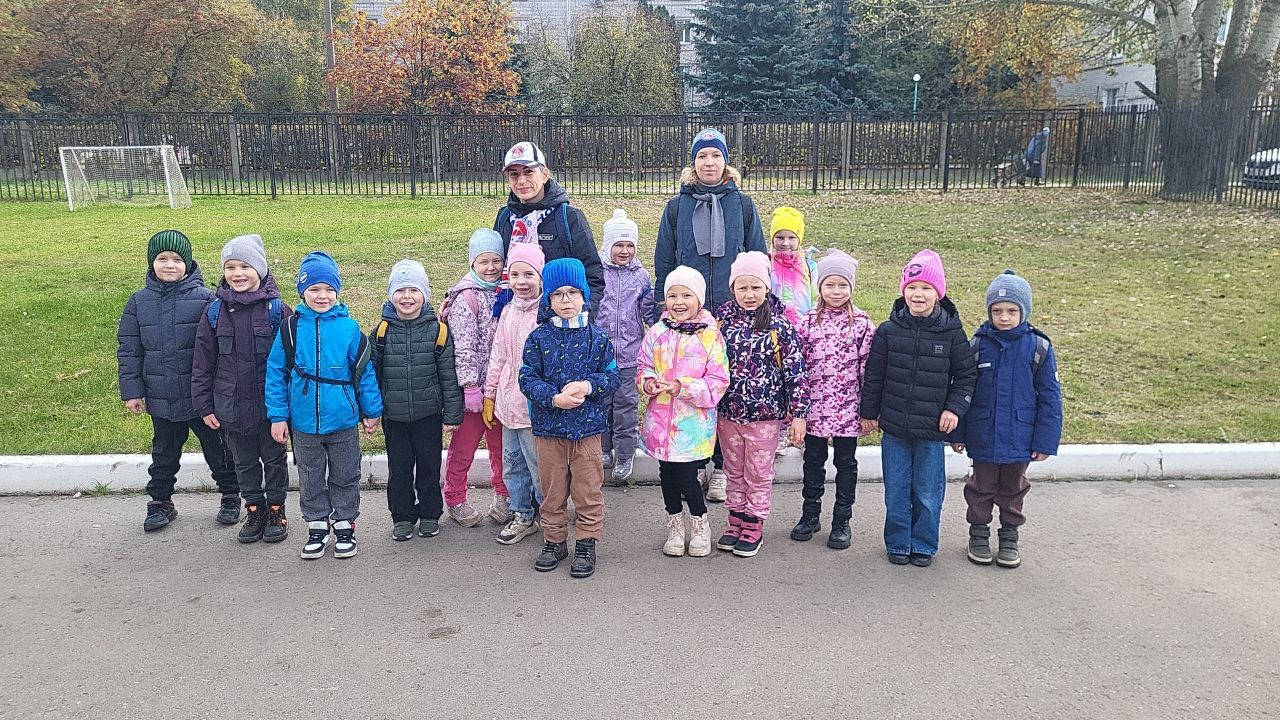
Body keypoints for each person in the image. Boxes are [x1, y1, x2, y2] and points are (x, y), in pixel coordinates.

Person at [654, 127, 767, 502]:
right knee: (692, 387)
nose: (709, 162)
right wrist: (663, 309)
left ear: (725, 161)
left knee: (723, 388)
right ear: (693, 163)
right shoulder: (676, 207)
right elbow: (665, 262)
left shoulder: (743, 206)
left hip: (733, 313)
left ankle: (721, 467)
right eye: (702, 156)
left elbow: (757, 259)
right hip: (690, 316)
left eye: (716, 155)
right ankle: (696, 460)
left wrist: (758, 307)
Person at [860, 249, 977, 568]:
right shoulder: (888, 331)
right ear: (903, 291)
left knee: (927, 491)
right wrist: (868, 413)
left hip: (931, 430)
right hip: (895, 427)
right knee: (897, 490)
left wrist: (954, 409)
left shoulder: (951, 333)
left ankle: (924, 543)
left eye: (926, 288)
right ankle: (898, 542)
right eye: (912, 287)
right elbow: (875, 374)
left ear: (939, 293)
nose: (918, 294)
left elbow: (966, 376)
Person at [118, 229, 238, 533]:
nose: (169, 265)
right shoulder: (139, 302)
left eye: (176, 259)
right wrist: (133, 392)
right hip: (162, 397)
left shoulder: (207, 300)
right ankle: (160, 501)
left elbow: (220, 348)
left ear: (188, 263)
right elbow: (129, 350)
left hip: (202, 399)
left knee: (219, 450)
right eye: (162, 258)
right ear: (151, 262)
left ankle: (230, 495)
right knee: (164, 453)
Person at [265, 251, 382, 561]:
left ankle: (345, 524)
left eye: (329, 289)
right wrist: (278, 416)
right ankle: (317, 525)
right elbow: (276, 373)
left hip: (343, 419)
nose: (322, 295)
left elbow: (364, 372)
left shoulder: (349, 329)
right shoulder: (290, 329)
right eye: (314, 289)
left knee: (345, 475)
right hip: (304, 423)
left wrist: (372, 411)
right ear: (302, 291)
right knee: (310, 476)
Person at [950, 270, 1062, 568]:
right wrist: (958, 433)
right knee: (981, 487)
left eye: (1012, 311)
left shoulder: (1038, 348)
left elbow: (1050, 399)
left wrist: (1045, 442)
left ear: (1024, 311)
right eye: (997, 311)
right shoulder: (977, 346)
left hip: (1020, 437)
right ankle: (978, 534)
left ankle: (1009, 537)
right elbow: (963, 390)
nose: (1004, 317)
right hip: (983, 434)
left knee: (1014, 488)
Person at [519, 258, 620, 579]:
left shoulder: (598, 339)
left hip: (587, 431)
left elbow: (612, 377)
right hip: (549, 430)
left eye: (573, 292)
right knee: (552, 490)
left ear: (584, 296)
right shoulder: (538, 339)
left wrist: (588, 386)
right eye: (558, 294)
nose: (566, 300)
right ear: (548, 299)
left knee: (588, 491)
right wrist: (553, 398)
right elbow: (527, 378)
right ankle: (554, 541)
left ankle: (587, 542)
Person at [191, 233, 292, 544]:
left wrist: (287, 409)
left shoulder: (278, 311)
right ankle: (254, 509)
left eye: (245, 267)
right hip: (231, 407)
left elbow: (293, 363)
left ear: (259, 269)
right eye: (230, 267)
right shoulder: (214, 312)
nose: (237, 274)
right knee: (244, 463)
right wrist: (204, 405)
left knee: (274, 461)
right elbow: (202, 361)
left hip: (269, 408)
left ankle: (276, 510)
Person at [713, 251, 808, 558]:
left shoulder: (780, 326)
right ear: (732, 289)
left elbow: (795, 371)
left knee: (758, 472)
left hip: (765, 417)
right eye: (742, 288)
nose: (749, 294)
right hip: (728, 413)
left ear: (767, 287)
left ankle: (754, 523)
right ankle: (735, 520)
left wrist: (799, 414)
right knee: (733, 470)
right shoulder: (721, 324)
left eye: (755, 287)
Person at [637, 267, 729, 558]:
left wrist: (682, 387)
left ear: (698, 299)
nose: (678, 302)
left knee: (689, 479)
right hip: (660, 423)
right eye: (672, 295)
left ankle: (700, 525)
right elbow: (644, 366)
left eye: (686, 295)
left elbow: (718, 381)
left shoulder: (710, 336)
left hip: (692, 426)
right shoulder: (657, 332)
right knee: (667, 477)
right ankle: (675, 526)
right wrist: (648, 383)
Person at [371, 260, 464, 542]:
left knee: (428, 467)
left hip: (428, 415)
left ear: (424, 294)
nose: (407, 297)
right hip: (394, 417)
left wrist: (452, 415)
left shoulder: (439, 332)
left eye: (414, 290)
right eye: (400, 291)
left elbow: (448, 376)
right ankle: (401, 516)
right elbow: (371, 378)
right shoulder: (381, 333)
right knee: (399, 470)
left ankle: (429, 513)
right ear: (391, 295)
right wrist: (371, 412)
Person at [791, 249, 875, 550]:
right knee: (813, 462)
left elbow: (868, 369)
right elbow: (797, 366)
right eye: (829, 285)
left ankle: (842, 521)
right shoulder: (807, 322)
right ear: (819, 286)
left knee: (845, 464)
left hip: (848, 409)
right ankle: (810, 515)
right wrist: (797, 409)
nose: (836, 291)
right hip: (815, 409)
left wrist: (868, 410)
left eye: (842, 285)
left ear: (851, 287)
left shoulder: (862, 324)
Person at [441, 230, 509, 527]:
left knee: (501, 447)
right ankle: (455, 497)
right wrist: (470, 386)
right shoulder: (465, 297)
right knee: (464, 447)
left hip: (500, 387)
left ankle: (504, 495)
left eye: (497, 261)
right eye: (484, 261)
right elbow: (464, 347)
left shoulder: (507, 291)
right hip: (474, 391)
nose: (491, 267)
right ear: (472, 263)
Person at [484, 243, 547, 546]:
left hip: (534, 408)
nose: (522, 282)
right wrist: (490, 394)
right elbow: (498, 356)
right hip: (508, 405)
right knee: (513, 464)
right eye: (516, 275)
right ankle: (522, 513)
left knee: (539, 467)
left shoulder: (545, 315)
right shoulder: (508, 311)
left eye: (529, 274)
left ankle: (551, 514)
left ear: (541, 277)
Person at [492, 141, 604, 312]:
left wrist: (585, 315)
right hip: (511, 316)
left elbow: (592, 274)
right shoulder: (505, 218)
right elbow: (491, 269)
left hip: (557, 318)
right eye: (514, 174)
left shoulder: (569, 217)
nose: (521, 181)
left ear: (544, 174)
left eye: (528, 172)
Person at [595, 208, 654, 482]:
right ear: (608, 245)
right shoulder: (597, 273)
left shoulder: (640, 276)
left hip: (630, 354)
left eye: (630, 245)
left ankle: (625, 452)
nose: (624, 251)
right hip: (600, 355)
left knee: (626, 405)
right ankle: (603, 448)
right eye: (619, 245)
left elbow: (648, 310)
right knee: (601, 403)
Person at [767, 206, 818, 457]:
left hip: (802, 333)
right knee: (776, 383)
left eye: (791, 237)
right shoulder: (766, 264)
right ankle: (779, 432)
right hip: (774, 334)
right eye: (780, 237)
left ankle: (801, 430)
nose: (785, 242)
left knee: (799, 382)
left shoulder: (809, 266)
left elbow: (817, 297)